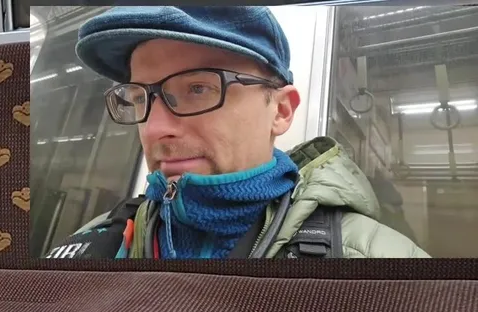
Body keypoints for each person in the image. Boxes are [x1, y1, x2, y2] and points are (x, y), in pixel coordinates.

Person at [45, 7, 429, 259]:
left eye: (198, 88)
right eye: (139, 98)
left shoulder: (376, 258)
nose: (156, 129)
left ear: (280, 111)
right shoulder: (96, 244)